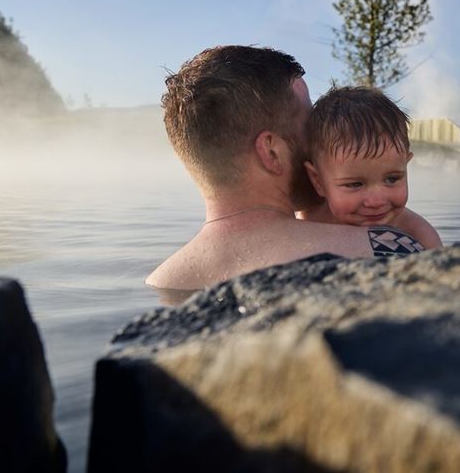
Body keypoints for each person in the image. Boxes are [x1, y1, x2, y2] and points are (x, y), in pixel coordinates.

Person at [145, 46, 425, 295]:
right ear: (271, 152)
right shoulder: (387, 249)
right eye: (310, 124)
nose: (322, 142)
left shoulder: (161, 283)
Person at [299, 86, 442, 249]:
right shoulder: (309, 221)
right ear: (318, 182)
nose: (376, 201)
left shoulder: (418, 233)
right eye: (354, 184)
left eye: (392, 179)